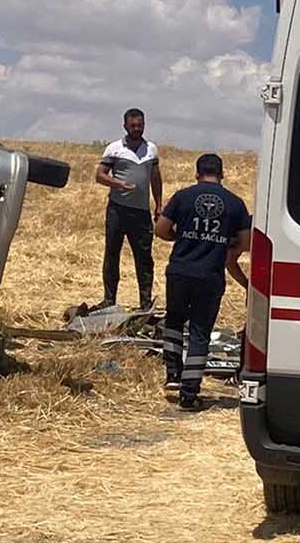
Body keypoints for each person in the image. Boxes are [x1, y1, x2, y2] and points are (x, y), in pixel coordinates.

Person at [154, 153, 251, 411]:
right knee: (199, 332)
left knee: (174, 321)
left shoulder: (183, 197)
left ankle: (173, 374)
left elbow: (161, 229)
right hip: (210, 275)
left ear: (197, 173)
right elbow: (245, 242)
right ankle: (189, 393)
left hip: (179, 271)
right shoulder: (235, 204)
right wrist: (220, 244)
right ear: (222, 174)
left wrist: (184, 237)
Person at [95, 108, 162, 311]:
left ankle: (145, 301)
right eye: (133, 125)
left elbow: (155, 177)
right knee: (112, 254)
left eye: (140, 125)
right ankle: (109, 299)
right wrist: (118, 184)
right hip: (117, 209)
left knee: (144, 257)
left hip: (141, 212)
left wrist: (159, 203)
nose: (137, 129)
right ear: (125, 126)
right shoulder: (114, 148)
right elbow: (99, 175)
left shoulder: (151, 149)